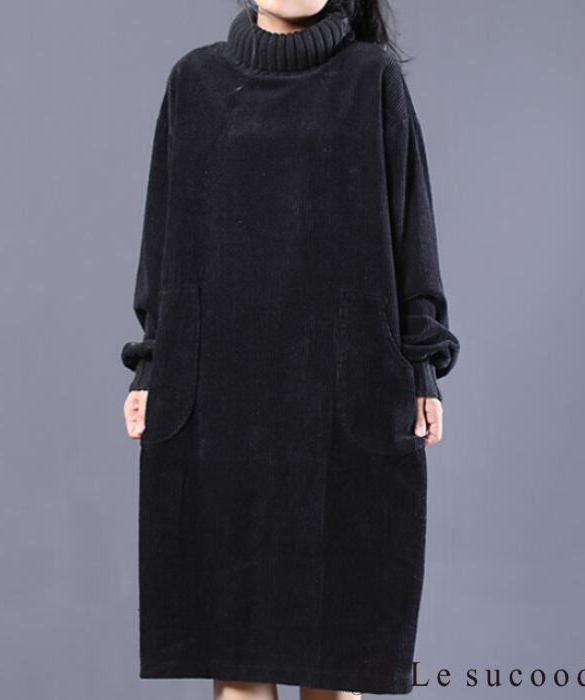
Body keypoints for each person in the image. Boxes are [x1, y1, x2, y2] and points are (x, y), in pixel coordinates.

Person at [121, 1, 460, 697]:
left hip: (346, 399)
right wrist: (151, 366)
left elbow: (411, 229)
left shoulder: (371, 80)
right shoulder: (193, 84)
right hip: (220, 404)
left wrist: (422, 364)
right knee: (236, 662)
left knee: (337, 664)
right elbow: (164, 240)